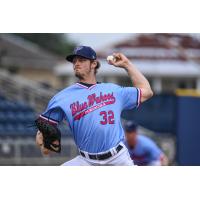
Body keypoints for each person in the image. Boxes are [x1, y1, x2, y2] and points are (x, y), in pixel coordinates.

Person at [35, 45, 153, 166]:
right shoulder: (62, 98)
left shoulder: (114, 91)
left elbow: (147, 91)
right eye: (74, 61)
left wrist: (127, 64)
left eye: (81, 60)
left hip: (117, 159)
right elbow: (45, 126)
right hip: (86, 160)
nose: (76, 64)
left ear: (94, 64)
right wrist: (42, 136)